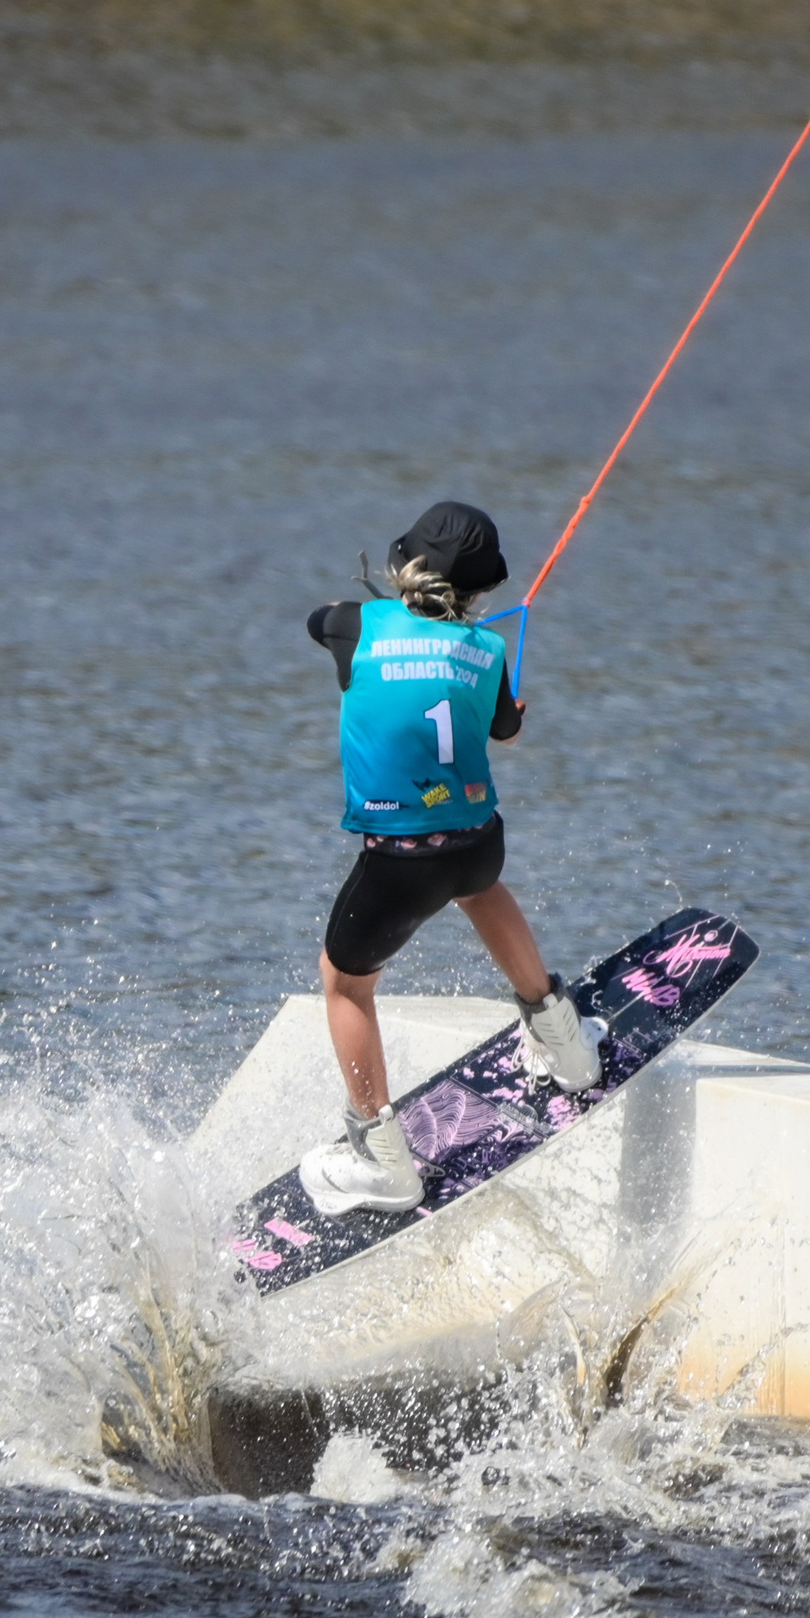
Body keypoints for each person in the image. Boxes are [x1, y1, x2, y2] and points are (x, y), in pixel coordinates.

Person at [296, 501, 602, 1216]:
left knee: (343, 984)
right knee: (482, 888)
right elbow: (505, 731)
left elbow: (318, 620)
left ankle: (380, 1160)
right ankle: (564, 1041)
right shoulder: (488, 651)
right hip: (476, 844)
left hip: (401, 864)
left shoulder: (354, 625)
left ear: (408, 567)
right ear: (480, 592)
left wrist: (390, 613)